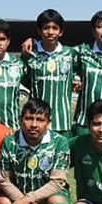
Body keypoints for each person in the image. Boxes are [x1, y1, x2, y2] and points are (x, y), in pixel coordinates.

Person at [21, 9, 77, 141]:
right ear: (39, 30)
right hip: (36, 121)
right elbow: (24, 79)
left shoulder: (70, 53)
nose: (50, 32)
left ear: (61, 31)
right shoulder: (30, 54)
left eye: (55, 28)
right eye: (46, 28)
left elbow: (82, 71)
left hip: (62, 122)